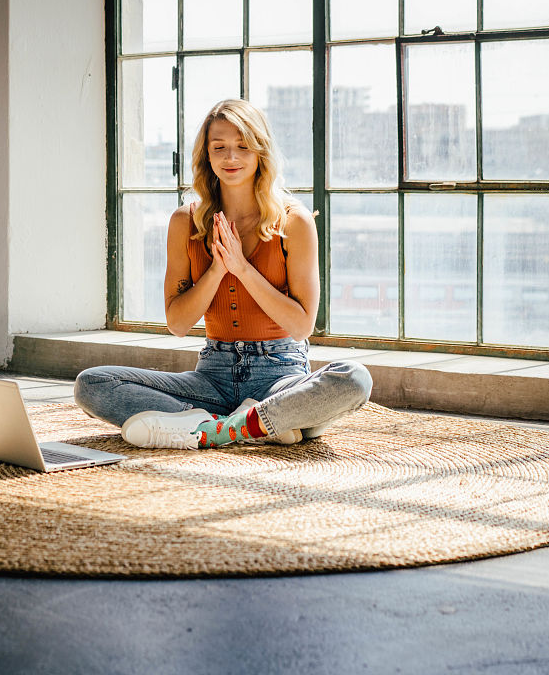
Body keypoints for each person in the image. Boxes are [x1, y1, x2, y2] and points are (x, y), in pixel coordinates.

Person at [75, 98, 372, 449]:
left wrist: (242, 269)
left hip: (278, 374)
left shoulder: (294, 222)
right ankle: (255, 424)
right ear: (207, 156)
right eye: (220, 148)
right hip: (212, 377)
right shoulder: (185, 222)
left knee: (354, 379)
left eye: (242, 147)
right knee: (91, 383)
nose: (231, 158)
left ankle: (216, 426)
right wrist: (218, 268)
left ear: (260, 152)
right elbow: (178, 323)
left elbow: (302, 326)